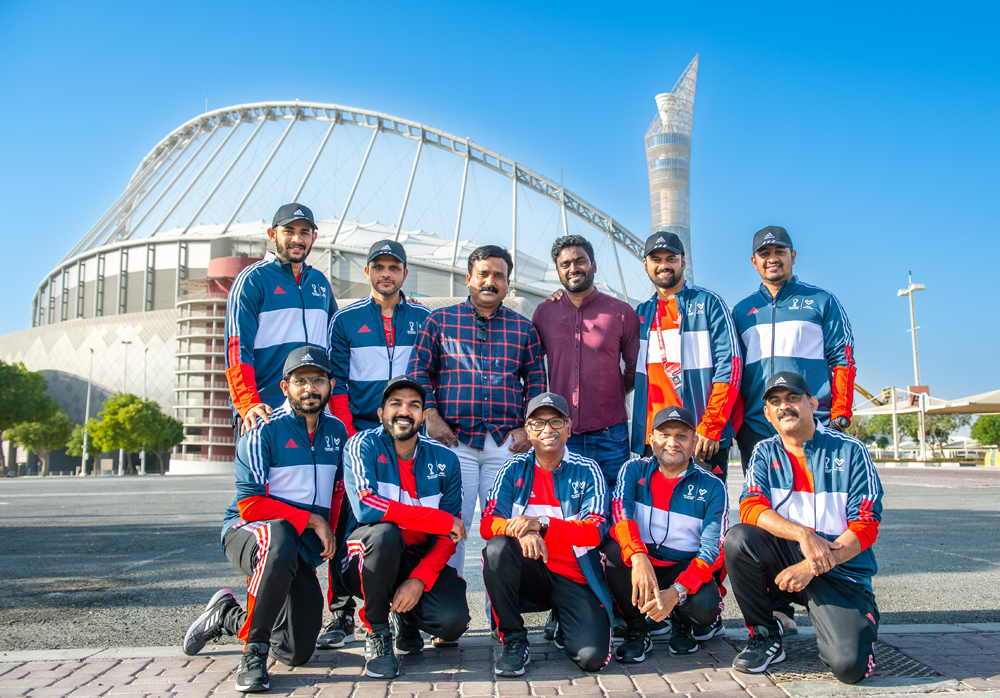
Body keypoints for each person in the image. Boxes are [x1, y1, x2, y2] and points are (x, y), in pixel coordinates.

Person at [182, 346, 348, 693]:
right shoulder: (263, 427)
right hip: (248, 531)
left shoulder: (337, 432)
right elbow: (251, 505)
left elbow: (337, 490)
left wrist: (328, 525)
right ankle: (253, 654)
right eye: (300, 381)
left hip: (293, 544)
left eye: (318, 380)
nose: (310, 388)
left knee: (296, 650)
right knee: (280, 534)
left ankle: (228, 615)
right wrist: (316, 523)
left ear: (331, 384)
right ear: (285, 386)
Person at [731, 225, 857, 635]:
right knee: (765, 516)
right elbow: (732, 372)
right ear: (754, 261)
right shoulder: (741, 309)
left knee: (821, 507)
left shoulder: (820, 301)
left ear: (793, 256)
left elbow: (843, 356)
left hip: (812, 424)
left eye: (779, 251)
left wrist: (840, 412)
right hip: (756, 427)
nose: (772, 258)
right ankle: (778, 606)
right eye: (764, 253)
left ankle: (830, 590)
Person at [725, 371, 882, 681]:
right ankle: (765, 635)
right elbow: (751, 507)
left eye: (793, 398)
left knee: (849, 667)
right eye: (776, 402)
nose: (785, 406)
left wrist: (812, 565)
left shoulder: (850, 451)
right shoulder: (765, 451)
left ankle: (856, 620)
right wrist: (803, 534)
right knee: (738, 539)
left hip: (840, 572)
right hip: (788, 562)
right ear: (767, 414)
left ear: (812, 403)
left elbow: (865, 525)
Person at [318, 239, 430, 649]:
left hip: (406, 431)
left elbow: (429, 373)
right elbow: (339, 382)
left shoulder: (423, 316)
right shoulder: (345, 319)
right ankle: (342, 612)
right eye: (379, 266)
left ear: (404, 273)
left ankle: (396, 611)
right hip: (361, 431)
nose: (386, 274)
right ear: (367, 272)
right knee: (346, 517)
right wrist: (351, 437)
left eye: (394, 267)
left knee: (404, 518)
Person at [407, 245, 546, 574]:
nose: (490, 281)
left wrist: (529, 428)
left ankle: (501, 613)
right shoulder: (440, 321)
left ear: (508, 284)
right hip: (454, 441)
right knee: (451, 525)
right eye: (483, 274)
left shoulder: (524, 329)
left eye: (499, 276)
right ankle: (447, 603)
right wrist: (431, 415)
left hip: (504, 443)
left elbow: (537, 382)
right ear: (469, 279)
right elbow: (418, 371)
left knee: (507, 526)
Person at [338, 376, 470, 679]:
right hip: (365, 556)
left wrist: (419, 580)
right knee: (385, 533)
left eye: (413, 405)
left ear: (423, 415)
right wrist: (439, 519)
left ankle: (406, 619)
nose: (404, 411)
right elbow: (366, 507)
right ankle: (378, 632)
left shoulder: (446, 459)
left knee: (451, 622)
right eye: (395, 404)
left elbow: (449, 537)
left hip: (416, 557)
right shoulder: (362, 445)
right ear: (381, 413)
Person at [481, 392, 612, 677]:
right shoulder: (513, 467)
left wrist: (541, 524)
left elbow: (595, 532)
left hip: (572, 574)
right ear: (527, 430)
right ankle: (514, 640)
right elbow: (489, 522)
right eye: (538, 423)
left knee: (592, 659)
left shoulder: (588, 471)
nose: (547, 430)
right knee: (497, 549)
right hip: (531, 572)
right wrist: (522, 532)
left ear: (568, 426)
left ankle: (565, 621)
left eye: (555, 421)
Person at [607, 406, 727, 663]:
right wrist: (638, 556)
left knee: (704, 606)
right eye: (664, 435)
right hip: (645, 563)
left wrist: (677, 591)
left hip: (683, 567)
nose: (672, 443)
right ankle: (637, 628)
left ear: (694, 441)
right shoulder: (633, 470)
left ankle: (682, 622)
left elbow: (713, 549)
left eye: (682, 436)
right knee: (614, 552)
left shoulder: (713, 486)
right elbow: (620, 515)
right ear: (651, 439)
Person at [630, 229, 742, 483]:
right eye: (656, 259)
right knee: (654, 516)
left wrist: (712, 425)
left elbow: (731, 366)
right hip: (655, 438)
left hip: (700, 437)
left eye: (670, 258)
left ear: (683, 260)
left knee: (705, 517)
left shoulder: (710, 303)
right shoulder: (641, 313)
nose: (663, 265)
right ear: (646, 264)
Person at [532, 234, 640, 486]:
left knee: (614, 507)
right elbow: (532, 367)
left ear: (593, 264)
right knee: (564, 510)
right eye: (565, 264)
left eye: (580, 261)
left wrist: (607, 394)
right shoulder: (544, 312)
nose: (573, 269)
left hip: (610, 434)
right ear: (558, 271)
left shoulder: (621, 312)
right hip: (559, 433)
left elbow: (635, 370)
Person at [225, 203, 338, 436]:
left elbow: (338, 342)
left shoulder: (320, 282)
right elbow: (237, 348)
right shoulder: (252, 280)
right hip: (265, 412)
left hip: (314, 414)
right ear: (272, 234)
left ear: (313, 237)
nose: (297, 238)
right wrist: (248, 404)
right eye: (288, 231)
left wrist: (401, 303)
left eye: (304, 232)